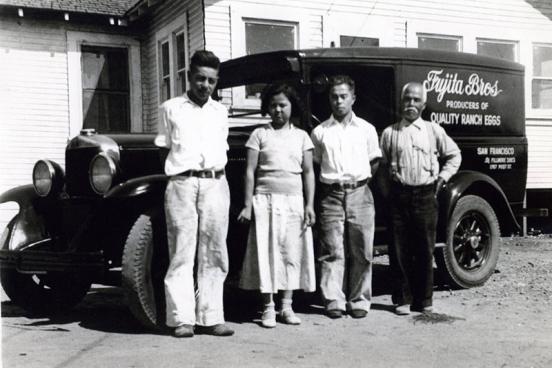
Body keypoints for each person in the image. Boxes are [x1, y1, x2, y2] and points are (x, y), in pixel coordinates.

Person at [154, 50, 234, 337]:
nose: (205, 85)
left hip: (215, 183)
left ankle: (212, 317)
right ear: (189, 77)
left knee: (215, 251)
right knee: (181, 251)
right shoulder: (170, 108)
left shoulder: (221, 112)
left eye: (211, 81)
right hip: (182, 184)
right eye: (200, 78)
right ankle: (181, 319)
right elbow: (164, 149)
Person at [238, 83, 316, 328]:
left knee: (291, 253)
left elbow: (308, 172)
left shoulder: (302, 136)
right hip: (265, 202)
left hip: (294, 202)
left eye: (283, 105)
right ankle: (268, 307)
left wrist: (309, 205)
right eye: (273, 105)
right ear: (267, 108)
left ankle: (286, 305)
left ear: (292, 107)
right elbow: (249, 172)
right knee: (267, 253)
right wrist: (247, 205)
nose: (278, 110)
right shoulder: (260, 135)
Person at [379, 82, 461, 316]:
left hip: (426, 195)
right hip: (399, 195)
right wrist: (388, 194)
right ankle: (401, 299)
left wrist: (443, 178)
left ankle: (424, 300)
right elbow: (382, 166)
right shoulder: (390, 133)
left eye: (416, 100)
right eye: (407, 100)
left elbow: (454, 155)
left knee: (424, 249)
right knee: (398, 250)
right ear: (401, 102)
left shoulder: (433, 131)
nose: (411, 104)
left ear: (424, 104)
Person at [310, 75, 381, 319]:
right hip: (331, 195)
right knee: (332, 250)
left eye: (343, 96)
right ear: (329, 99)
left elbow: (375, 161)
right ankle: (334, 300)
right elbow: (316, 164)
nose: (338, 101)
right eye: (334, 97)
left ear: (353, 98)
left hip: (360, 192)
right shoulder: (320, 132)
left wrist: (359, 183)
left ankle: (359, 300)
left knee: (362, 250)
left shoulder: (366, 129)